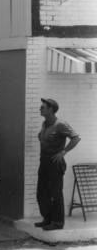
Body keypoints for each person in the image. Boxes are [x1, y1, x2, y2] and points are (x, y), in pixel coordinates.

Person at [35, 98, 80, 231]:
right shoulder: (45, 124)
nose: (40, 109)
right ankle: (47, 218)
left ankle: (57, 222)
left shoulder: (60, 124)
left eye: (43, 107)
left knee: (55, 193)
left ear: (51, 109)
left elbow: (76, 138)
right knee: (42, 192)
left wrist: (63, 152)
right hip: (44, 161)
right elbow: (42, 137)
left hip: (55, 163)